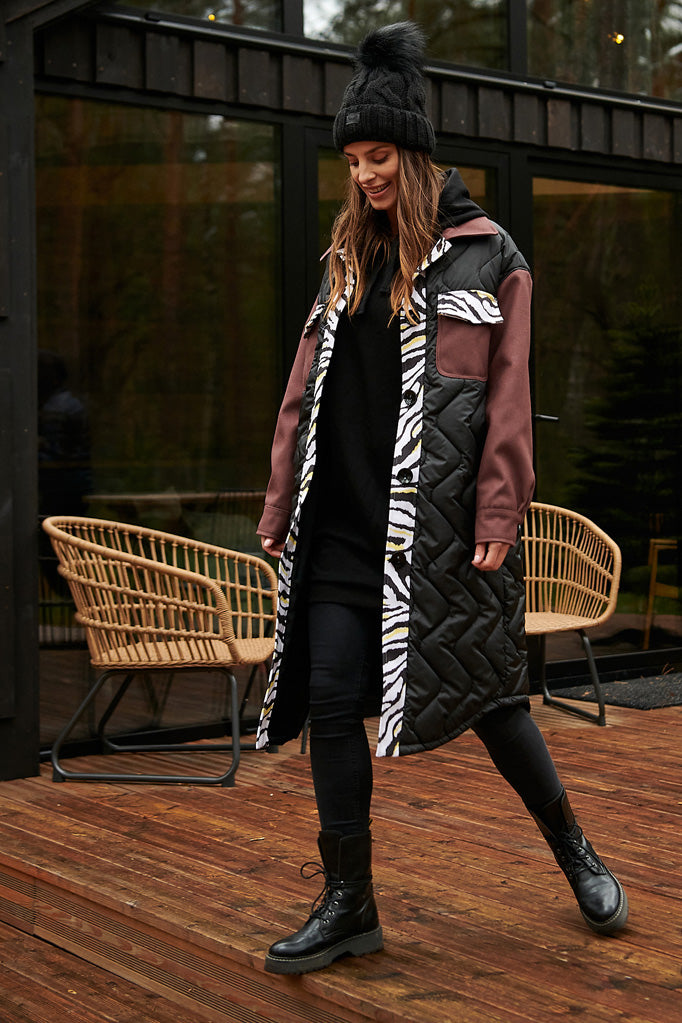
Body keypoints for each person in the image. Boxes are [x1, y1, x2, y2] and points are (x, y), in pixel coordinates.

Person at [255, 22, 628, 976]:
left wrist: (500, 509)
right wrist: (278, 503)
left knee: (492, 697)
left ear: (414, 152)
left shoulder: (489, 254)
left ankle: (575, 850)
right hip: (341, 526)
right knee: (332, 702)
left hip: (440, 529)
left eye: (377, 157)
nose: (364, 175)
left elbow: (510, 394)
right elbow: (301, 389)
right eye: (352, 161)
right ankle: (349, 900)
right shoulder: (345, 257)